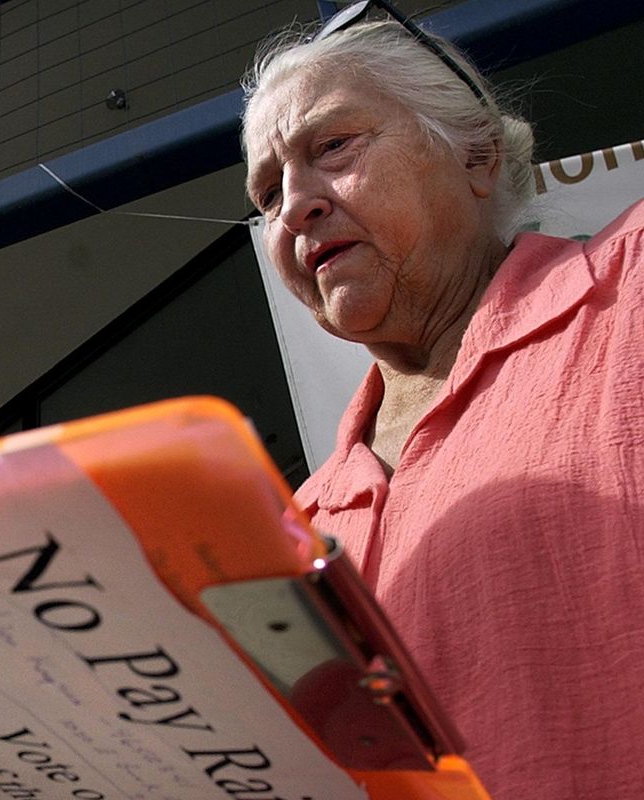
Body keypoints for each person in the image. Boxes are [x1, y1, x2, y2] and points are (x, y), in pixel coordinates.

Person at [241, 3, 643, 798]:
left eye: (333, 147)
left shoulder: (629, 292)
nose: (294, 205)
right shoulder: (297, 527)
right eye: (266, 192)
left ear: (479, 156)